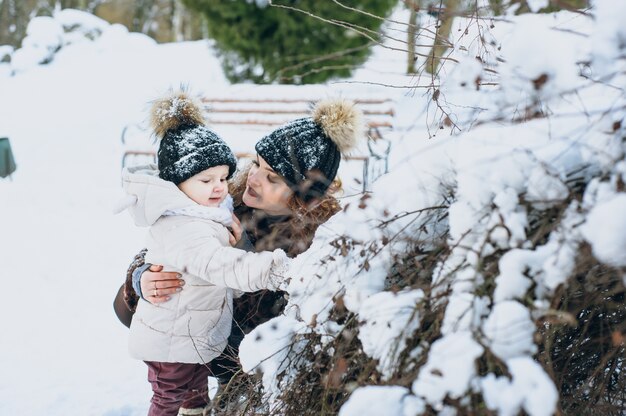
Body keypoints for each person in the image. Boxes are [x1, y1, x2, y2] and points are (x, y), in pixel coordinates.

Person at [114, 93, 365, 414]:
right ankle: (195, 395)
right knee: (127, 303)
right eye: (258, 162)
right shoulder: (224, 197)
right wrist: (141, 278)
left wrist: (242, 250)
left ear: (302, 198)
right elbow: (167, 239)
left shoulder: (319, 242)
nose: (254, 177)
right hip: (198, 333)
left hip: (250, 361)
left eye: (273, 177)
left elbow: (279, 318)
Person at [121, 90, 291, 416]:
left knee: (193, 391)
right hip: (175, 339)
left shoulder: (212, 210)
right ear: (178, 184)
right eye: (207, 180)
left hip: (202, 340)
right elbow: (213, 262)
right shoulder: (195, 217)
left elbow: (227, 273)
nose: (220, 187)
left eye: (224, 178)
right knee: (169, 397)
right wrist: (142, 276)